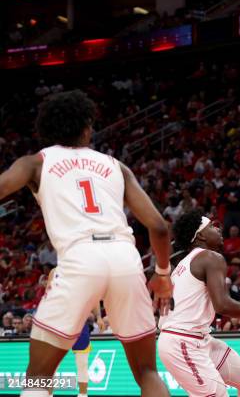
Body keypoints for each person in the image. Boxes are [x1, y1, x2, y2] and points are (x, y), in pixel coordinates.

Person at [0, 90, 173, 397]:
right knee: (147, 371)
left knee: (39, 376)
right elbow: (159, 227)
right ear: (85, 127)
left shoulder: (35, 162)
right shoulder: (116, 165)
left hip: (80, 258)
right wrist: (162, 274)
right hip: (125, 257)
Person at [157, 211, 240, 396]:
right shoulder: (210, 257)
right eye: (212, 226)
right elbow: (222, 306)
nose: (218, 228)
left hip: (199, 338)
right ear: (200, 235)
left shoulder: (181, 265)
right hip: (182, 341)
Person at [46, 268, 106, 397]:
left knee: (82, 362)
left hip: (79, 321)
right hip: (59, 322)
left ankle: (83, 395)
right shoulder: (55, 272)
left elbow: (94, 298)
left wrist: (99, 317)